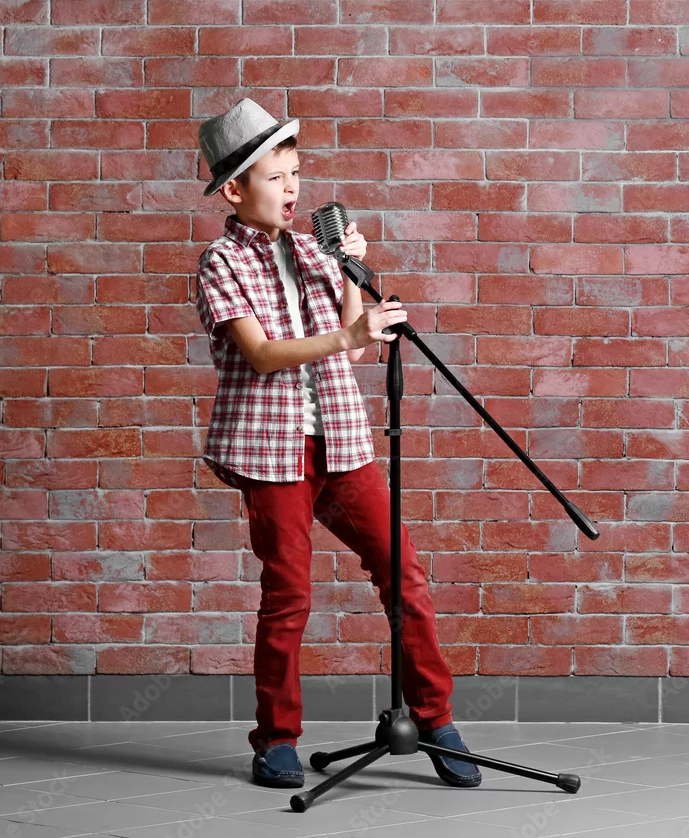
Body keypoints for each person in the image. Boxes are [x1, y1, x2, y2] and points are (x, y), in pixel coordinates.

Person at [194, 98, 482, 790]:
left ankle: (436, 717)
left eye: (295, 174)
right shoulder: (220, 262)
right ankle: (276, 739)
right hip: (272, 450)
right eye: (275, 177)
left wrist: (351, 272)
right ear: (235, 190)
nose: (291, 188)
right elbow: (262, 354)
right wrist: (350, 333)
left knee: (403, 572)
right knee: (288, 593)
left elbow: (350, 349)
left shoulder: (310, 248)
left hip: (342, 440)